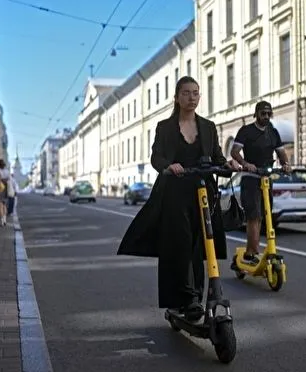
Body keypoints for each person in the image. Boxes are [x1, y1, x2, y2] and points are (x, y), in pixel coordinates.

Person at [117, 76, 240, 322]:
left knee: (200, 245)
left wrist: (228, 164)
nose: (191, 97)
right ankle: (186, 299)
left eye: (195, 93)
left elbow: (215, 157)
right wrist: (168, 165)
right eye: (186, 93)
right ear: (176, 97)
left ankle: (195, 297)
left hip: (203, 192)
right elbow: (156, 158)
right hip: (174, 193)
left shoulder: (208, 126)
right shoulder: (165, 127)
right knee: (180, 243)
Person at [230, 101, 291, 265]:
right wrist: (245, 163)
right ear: (256, 114)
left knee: (265, 215)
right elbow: (234, 152)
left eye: (268, 114)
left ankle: (257, 249)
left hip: (266, 178)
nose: (266, 117)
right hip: (251, 178)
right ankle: (251, 252)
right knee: (253, 216)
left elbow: (281, 152)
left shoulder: (273, 132)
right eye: (262, 113)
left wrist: (286, 164)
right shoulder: (246, 131)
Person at [0, 159, 11, 226]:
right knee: (4, 206)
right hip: (6, 188)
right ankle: (5, 220)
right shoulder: (7, 171)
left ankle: (1, 221)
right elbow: (9, 179)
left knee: (0, 206)